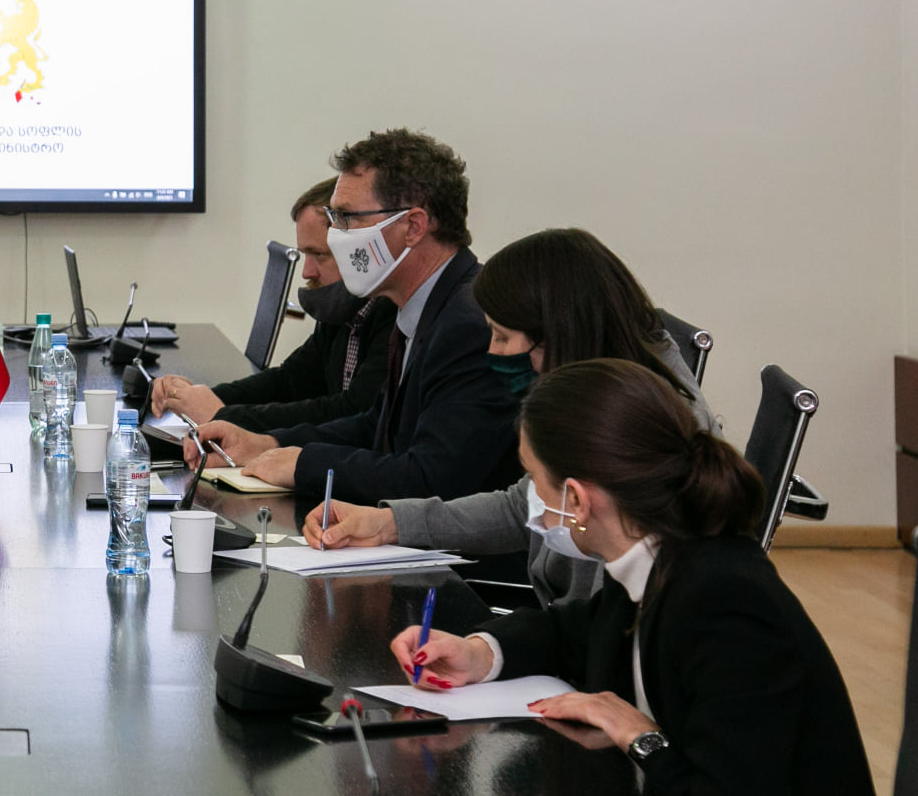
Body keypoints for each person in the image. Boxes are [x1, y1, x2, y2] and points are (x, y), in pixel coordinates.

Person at [393, 359, 885, 796]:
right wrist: (480, 652)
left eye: (535, 479)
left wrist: (639, 736)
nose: (531, 499)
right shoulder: (657, 551)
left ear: (577, 500)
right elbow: (574, 632)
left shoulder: (725, 602)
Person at [303, 228, 720, 605]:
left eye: (502, 337)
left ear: (556, 334)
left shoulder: (630, 432)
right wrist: (389, 523)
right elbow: (524, 504)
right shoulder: (596, 395)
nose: (492, 352)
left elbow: (598, 625)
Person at [192, 128, 519, 502]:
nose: (336, 235)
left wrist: (304, 465)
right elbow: (375, 427)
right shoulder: (418, 306)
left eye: (347, 218)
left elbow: (433, 478)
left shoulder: (469, 324)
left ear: (413, 226)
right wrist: (266, 443)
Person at [151, 176, 397, 431]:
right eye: (305, 254)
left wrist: (224, 414)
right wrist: (199, 397)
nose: (307, 272)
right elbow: (289, 381)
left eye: (319, 254)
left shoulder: (392, 315)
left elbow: (353, 411)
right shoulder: (341, 311)